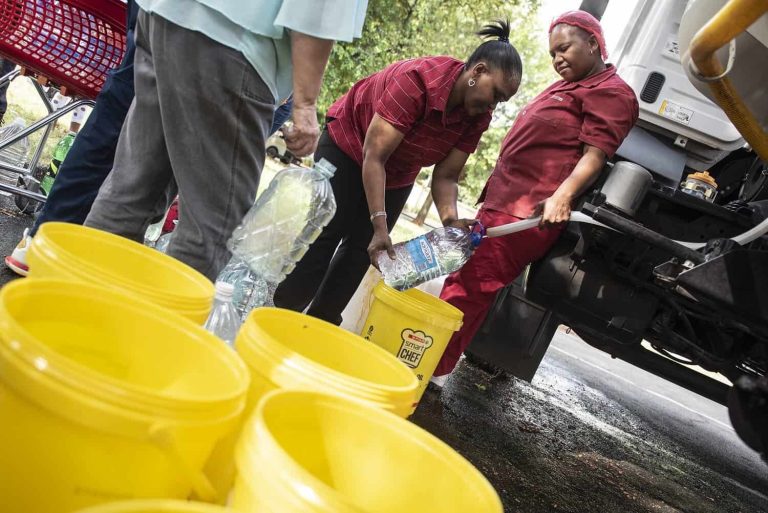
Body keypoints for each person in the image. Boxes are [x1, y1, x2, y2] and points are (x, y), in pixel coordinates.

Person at [72, 1, 366, 282]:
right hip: (233, 42)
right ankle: (161, 315)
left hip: (164, 15)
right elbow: (317, 11)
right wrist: (305, 104)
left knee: (133, 190)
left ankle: (70, 303)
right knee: (213, 226)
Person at [430, 10, 640, 385]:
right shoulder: (567, 87)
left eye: (565, 48)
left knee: (470, 286)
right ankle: (431, 365)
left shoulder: (611, 92)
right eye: (553, 53)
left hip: (526, 212)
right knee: (468, 283)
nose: (558, 58)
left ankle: (425, 365)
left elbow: (595, 155)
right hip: (504, 202)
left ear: (593, 43)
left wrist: (562, 196)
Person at [273, 20, 522, 325]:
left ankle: (319, 324)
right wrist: (379, 223)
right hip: (349, 145)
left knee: (365, 249)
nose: (493, 106)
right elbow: (375, 155)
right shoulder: (416, 81)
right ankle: (282, 315)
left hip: (397, 171)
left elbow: (446, 175)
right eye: (495, 94)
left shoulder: (478, 116)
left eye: (501, 101)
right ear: (478, 72)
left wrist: (451, 223)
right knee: (328, 228)